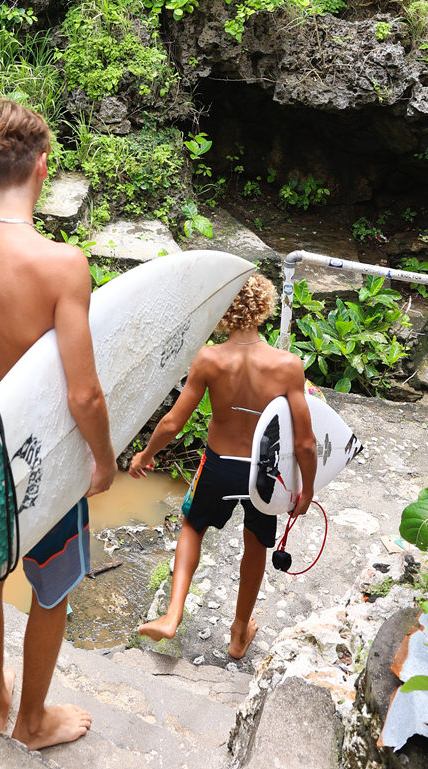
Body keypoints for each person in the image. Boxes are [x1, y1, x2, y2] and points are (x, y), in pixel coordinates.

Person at [0, 98, 117, 749]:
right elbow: (85, 393)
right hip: (39, 445)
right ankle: (33, 720)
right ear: (44, 166)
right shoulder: (62, 265)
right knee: (53, 580)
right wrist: (105, 459)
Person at [128, 273, 316, 658]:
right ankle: (238, 632)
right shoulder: (287, 365)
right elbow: (306, 443)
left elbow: (172, 423)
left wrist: (146, 456)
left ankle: (172, 615)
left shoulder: (209, 358)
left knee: (194, 527)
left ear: (225, 310)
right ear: (264, 309)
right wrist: (307, 489)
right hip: (265, 475)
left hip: (218, 466)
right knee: (256, 544)